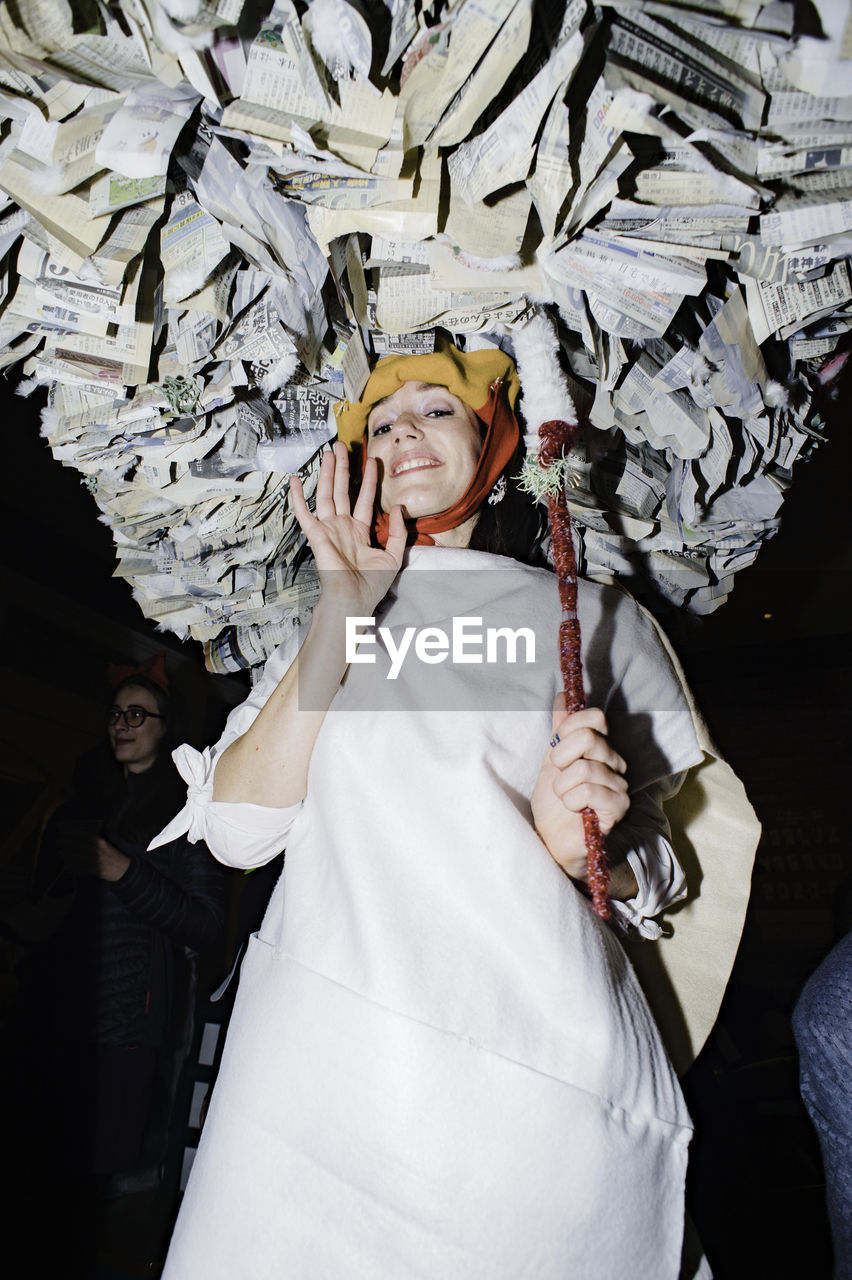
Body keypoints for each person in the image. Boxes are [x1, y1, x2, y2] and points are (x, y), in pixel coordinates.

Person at [153, 344, 751, 1279]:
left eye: (436, 411)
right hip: (321, 1090)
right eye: (383, 423)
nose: (406, 435)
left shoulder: (594, 618)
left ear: (496, 437)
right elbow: (236, 831)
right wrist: (341, 614)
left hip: (528, 1095)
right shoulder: (328, 621)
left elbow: (664, 865)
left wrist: (585, 847)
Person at [14, 655, 226, 1272]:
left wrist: (124, 871)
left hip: (126, 1033)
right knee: (38, 1179)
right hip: (54, 1016)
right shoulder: (85, 796)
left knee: (98, 1197)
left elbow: (206, 924)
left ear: (166, 727)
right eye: (115, 713)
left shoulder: (190, 813)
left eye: (138, 713)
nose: (122, 724)